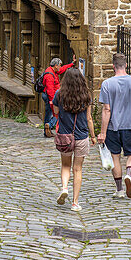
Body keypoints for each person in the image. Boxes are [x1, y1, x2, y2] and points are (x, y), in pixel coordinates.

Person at [97, 53, 131, 198]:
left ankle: (119, 190)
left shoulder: (107, 84)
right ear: (126, 65)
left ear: (113, 66)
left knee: (115, 157)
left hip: (113, 127)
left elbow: (107, 109)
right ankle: (129, 175)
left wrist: (103, 132)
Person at [51, 68, 93, 211]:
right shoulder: (86, 96)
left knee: (65, 166)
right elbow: (89, 118)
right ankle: (75, 202)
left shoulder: (59, 94)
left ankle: (64, 188)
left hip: (65, 136)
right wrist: (93, 136)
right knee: (78, 169)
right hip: (81, 136)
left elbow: (56, 112)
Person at [41, 58, 75, 138]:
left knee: (49, 114)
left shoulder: (53, 71)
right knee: (56, 113)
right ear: (56, 65)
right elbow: (50, 90)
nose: (60, 66)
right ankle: (49, 125)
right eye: (60, 65)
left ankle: (47, 131)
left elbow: (62, 70)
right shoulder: (49, 75)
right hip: (50, 97)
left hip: (50, 96)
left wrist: (71, 64)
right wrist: (53, 101)